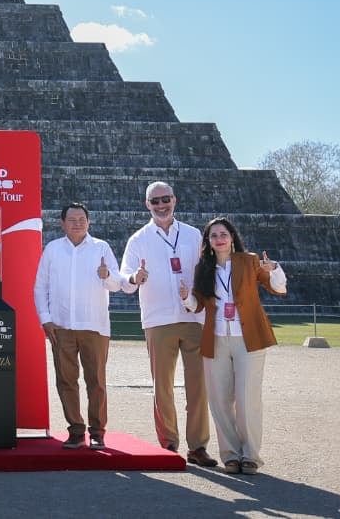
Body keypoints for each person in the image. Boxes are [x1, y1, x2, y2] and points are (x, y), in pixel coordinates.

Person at [121, 181, 219, 467]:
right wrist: (134, 279)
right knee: (162, 385)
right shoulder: (138, 239)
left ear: (174, 200)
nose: (161, 205)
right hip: (158, 319)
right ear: (147, 205)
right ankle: (169, 443)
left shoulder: (192, 235)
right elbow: (126, 278)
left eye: (165, 199)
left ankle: (198, 446)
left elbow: (209, 271)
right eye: (155, 201)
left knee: (198, 385)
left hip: (193, 317)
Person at [180, 217, 287, 475]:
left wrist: (274, 269)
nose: (219, 238)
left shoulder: (249, 261)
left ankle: (250, 455)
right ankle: (230, 455)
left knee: (247, 397)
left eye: (223, 233)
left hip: (247, 338)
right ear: (208, 241)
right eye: (213, 235)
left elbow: (277, 288)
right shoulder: (203, 268)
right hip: (216, 338)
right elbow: (200, 305)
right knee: (219, 400)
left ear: (231, 236)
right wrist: (187, 299)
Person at [33, 202, 127, 450]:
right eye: (72, 219)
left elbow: (117, 284)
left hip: (94, 325)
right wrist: (45, 318)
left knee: (96, 382)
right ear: (62, 223)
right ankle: (75, 430)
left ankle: (97, 431)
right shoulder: (53, 249)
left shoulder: (101, 248)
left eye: (81, 218)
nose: (77, 223)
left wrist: (107, 275)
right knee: (66, 380)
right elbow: (40, 286)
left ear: (89, 222)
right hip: (61, 326)